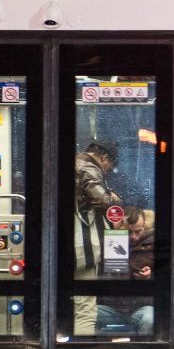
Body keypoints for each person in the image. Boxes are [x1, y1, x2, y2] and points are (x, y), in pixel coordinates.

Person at [73, 139, 121, 336]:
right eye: (110, 165)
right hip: (82, 249)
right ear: (104, 157)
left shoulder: (71, 164)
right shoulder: (88, 168)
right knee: (85, 309)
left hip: (67, 248)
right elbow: (104, 201)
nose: (109, 170)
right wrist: (114, 198)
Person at [96, 207, 155, 336]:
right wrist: (115, 237)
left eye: (138, 232)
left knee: (150, 319)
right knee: (86, 316)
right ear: (121, 228)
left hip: (141, 307)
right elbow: (101, 275)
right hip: (112, 308)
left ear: (144, 227)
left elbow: (167, 276)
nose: (133, 237)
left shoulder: (153, 245)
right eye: (129, 232)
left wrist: (150, 276)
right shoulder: (110, 242)